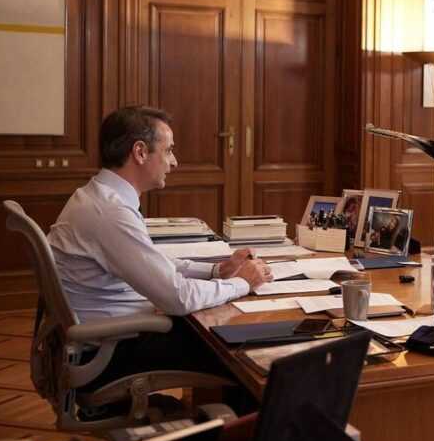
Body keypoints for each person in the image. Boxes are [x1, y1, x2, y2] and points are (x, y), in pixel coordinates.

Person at [48, 106, 274, 384]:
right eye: (168, 151)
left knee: (225, 330)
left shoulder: (98, 197)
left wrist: (218, 271)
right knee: (244, 351)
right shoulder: (109, 213)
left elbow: (151, 260)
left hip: (112, 336)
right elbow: (178, 299)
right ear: (140, 152)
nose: (174, 161)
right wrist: (243, 283)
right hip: (110, 353)